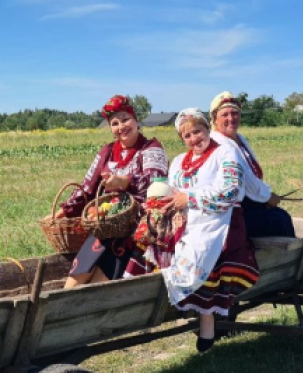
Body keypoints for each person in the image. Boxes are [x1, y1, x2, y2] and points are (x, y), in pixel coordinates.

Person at [161, 108, 261, 352]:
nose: (194, 138)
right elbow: (173, 193)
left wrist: (190, 199)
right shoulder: (178, 162)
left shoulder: (225, 152)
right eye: (187, 136)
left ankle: (207, 322)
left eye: (198, 131)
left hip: (222, 220)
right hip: (188, 221)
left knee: (205, 250)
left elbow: (230, 190)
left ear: (208, 129)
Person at [54, 94, 168, 287]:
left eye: (125, 119)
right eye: (114, 123)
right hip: (106, 223)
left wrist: (124, 182)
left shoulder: (151, 148)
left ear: (136, 120)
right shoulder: (106, 152)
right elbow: (87, 187)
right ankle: (64, 302)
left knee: (101, 280)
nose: (121, 127)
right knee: (75, 279)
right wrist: (63, 211)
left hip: (136, 225)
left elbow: (155, 182)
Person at [208, 91, 295, 238]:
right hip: (232, 210)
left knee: (280, 217)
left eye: (235, 113)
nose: (231, 118)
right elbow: (245, 178)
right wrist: (267, 197)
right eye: (225, 115)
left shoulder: (238, 139)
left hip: (247, 202)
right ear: (215, 119)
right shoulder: (219, 143)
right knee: (280, 220)